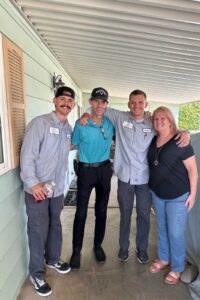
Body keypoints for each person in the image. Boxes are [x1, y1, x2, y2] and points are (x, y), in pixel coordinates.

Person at [80, 90, 190, 264]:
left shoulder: (153, 122)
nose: (136, 106)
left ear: (146, 104)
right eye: (133, 102)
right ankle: (124, 248)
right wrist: (86, 113)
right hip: (125, 178)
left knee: (144, 215)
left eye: (140, 102)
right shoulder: (120, 118)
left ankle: (142, 249)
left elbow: (170, 131)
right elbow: (97, 107)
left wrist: (186, 133)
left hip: (145, 180)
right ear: (128, 104)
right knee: (125, 214)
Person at [20, 86, 76, 297]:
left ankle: (52, 259)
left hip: (56, 189)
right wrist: (33, 184)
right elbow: (27, 156)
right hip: (38, 190)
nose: (66, 103)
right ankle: (36, 273)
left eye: (70, 101)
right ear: (54, 100)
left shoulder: (67, 129)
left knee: (55, 224)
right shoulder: (40, 123)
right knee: (37, 230)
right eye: (62, 99)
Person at [147, 106, 198, 285]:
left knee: (175, 233)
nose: (159, 121)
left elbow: (192, 169)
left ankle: (177, 268)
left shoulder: (181, 141)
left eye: (163, 118)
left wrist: (193, 194)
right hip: (157, 193)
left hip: (178, 196)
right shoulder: (154, 140)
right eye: (156, 119)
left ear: (170, 120)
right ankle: (163, 258)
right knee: (161, 228)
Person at [69, 87, 114, 270]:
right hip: (86, 171)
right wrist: (83, 119)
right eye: (95, 100)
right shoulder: (82, 124)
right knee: (81, 212)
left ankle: (97, 245)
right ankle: (76, 251)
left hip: (105, 170)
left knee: (101, 211)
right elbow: (73, 143)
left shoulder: (111, 124)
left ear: (106, 104)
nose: (99, 104)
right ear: (90, 102)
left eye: (102, 101)